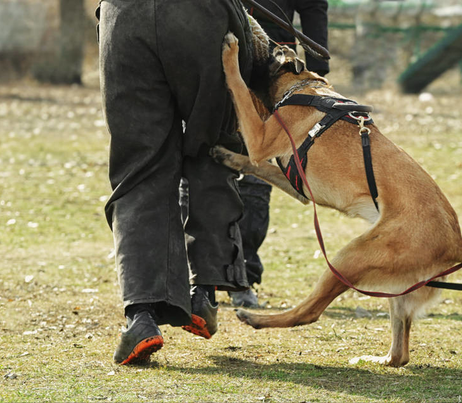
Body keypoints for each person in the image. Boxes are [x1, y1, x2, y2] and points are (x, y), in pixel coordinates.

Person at [96, 0, 259, 365]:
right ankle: (205, 292)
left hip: (125, 19)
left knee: (139, 168)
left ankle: (141, 318)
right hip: (201, 16)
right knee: (212, 149)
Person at [229, 0, 330, 308]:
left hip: (269, 61)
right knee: (199, 163)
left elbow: (313, 5)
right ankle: (199, 275)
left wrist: (317, 64)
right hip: (207, 46)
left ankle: (243, 274)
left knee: (255, 167)